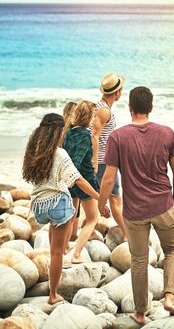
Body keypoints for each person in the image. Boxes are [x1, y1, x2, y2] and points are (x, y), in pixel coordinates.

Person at [98, 86, 174, 325]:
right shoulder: (167, 133)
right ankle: (169, 297)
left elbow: (108, 177)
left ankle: (140, 312)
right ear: (151, 108)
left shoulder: (118, 137)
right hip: (163, 205)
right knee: (173, 250)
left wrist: (102, 203)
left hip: (134, 211)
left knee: (139, 261)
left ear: (130, 108)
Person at [22, 113, 100, 305]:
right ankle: (53, 295)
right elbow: (78, 180)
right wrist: (100, 197)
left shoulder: (34, 152)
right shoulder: (59, 154)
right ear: (58, 131)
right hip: (58, 206)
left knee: (52, 249)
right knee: (57, 252)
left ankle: (52, 279)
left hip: (40, 206)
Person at [63, 100, 105, 263]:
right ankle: (76, 254)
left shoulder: (68, 132)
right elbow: (76, 163)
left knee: (72, 216)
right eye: (93, 116)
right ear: (89, 117)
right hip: (84, 180)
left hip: (69, 182)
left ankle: (66, 246)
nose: (94, 120)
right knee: (92, 219)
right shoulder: (85, 136)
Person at [92, 73, 126, 239]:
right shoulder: (104, 111)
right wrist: (95, 161)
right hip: (104, 161)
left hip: (104, 160)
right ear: (117, 92)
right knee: (115, 200)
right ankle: (128, 234)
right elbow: (95, 135)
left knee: (94, 197)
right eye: (121, 90)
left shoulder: (100, 107)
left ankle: (89, 230)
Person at [61, 101, 79, 241]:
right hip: (73, 171)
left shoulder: (60, 131)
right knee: (74, 206)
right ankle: (71, 237)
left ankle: (69, 236)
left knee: (67, 205)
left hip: (61, 173)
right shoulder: (75, 131)